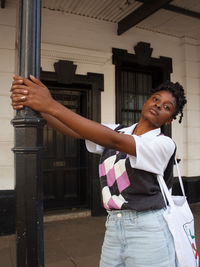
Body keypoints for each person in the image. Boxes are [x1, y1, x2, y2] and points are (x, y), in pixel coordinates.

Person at [10, 75, 187, 267]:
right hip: (113, 226)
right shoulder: (119, 130)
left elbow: (114, 142)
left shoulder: (164, 144)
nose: (159, 105)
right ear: (147, 101)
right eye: (156, 99)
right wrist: (36, 106)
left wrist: (50, 104)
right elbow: (74, 129)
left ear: (169, 120)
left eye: (167, 107)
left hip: (149, 229)